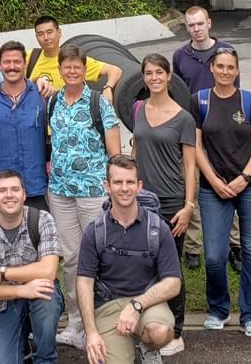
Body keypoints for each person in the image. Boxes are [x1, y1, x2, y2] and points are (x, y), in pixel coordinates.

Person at [47, 44, 123, 351]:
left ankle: (105, 322)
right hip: (61, 191)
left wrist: (117, 185)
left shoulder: (98, 102)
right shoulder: (53, 102)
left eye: (77, 66)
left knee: (101, 256)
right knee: (72, 258)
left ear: (84, 69)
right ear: (61, 69)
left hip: (93, 191)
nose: (71, 71)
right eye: (66, 66)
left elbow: (115, 149)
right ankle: (76, 323)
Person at [195, 48, 251, 338]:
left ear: (237, 70)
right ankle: (218, 309)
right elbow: (196, 146)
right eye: (220, 67)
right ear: (212, 69)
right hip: (213, 187)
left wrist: (244, 178)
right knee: (215, 255)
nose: (225, 72)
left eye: (231, 67)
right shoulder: (199, 101)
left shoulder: (250, 101)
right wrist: (214, 179)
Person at [77, 155, 179, 364]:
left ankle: (148, 348)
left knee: (159, 332)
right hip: (108, 306)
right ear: (107, 186)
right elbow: (84, 282)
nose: (124, 188)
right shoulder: (94, 232)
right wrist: (91, 332)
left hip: (147, 303)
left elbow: (173, 283)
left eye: (130, 182)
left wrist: (136, 305)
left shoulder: (158, 228)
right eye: (118, 182)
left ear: (139, 186)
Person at [130, 53, 196, 356]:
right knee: (142, 266)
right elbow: (135, 151)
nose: (154, 78)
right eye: (149, 73)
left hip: (171, 203)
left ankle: (176, 332)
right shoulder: (138, 109)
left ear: (169, 76)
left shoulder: (183, 117)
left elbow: (189, 166)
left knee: (170, 269)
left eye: (159, 72)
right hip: (141, 201)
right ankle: (148, 325)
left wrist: (188, 206)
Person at [0, 170, 63, 364]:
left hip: (41, 295)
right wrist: (23, 289)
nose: (9, 195)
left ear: (24, 194)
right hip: (3, 303)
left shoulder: (42, 219)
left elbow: (49, 270)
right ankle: (21, 342)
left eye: (15, 189)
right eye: (3, 190)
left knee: (47, 302)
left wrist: (2, 273)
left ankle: (45, 357)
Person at [170, 6, 237, 272]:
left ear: (209, 23)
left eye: (200, 24)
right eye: (191, 25)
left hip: (221, 129)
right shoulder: (180, 56)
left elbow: (234, 89)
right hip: (191, 128)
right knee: (193, 185)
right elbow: (178, 91)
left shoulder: (226, 52)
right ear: (186, 27)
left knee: (227, 183)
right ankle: (194, 246)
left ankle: (235, 244)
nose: (196, 29)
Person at [0, 40, 49, 210]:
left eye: (17, 62)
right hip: (0, 189)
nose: (12, 67)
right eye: (7, 62)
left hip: (35, 187)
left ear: (25, 64)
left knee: (38, 234)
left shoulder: (42, 96)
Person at [28, 16, 122, 100]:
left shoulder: (74, 59)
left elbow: (115, 70)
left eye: (49, 32)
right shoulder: (30, 57)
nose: (46, 38)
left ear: (59, 32)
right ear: (36, 37)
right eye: (40, 34)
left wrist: (108, 88)